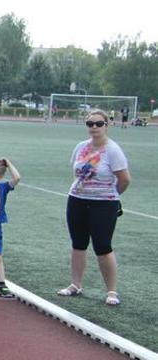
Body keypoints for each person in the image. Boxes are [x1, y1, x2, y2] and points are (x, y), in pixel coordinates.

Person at [58, 110, 130, 306]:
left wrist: (111, 196)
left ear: (107, 125)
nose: (94, 127)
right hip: (77, 200)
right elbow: (77, 173)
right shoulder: (81, 147)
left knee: (103, 246)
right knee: (78, 243)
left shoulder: (113, 150)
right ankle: (75, 284)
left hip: (104, 203)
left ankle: (112, 291)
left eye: (99, 123)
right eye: (90, 123)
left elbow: (124, 180)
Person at [0, 158, 21, 298]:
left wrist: (8, 163)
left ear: (0, 176)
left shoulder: (3, 187)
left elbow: (17, 178)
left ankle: (2, 283)